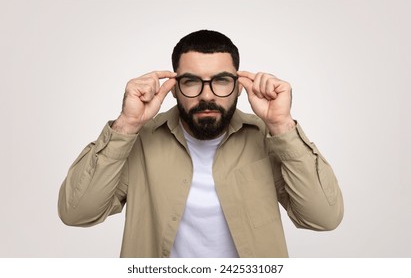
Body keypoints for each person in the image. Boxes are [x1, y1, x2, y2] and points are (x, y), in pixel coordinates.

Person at [58, 29, 343, 258]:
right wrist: (126, 125)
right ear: (173, 88)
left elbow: (323, 218)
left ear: (239, 86)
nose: (207, 95)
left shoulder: (268, 138)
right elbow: (77, 212)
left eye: (221, 80)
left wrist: (282, 125)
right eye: (192, 81)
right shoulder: (139, 140)